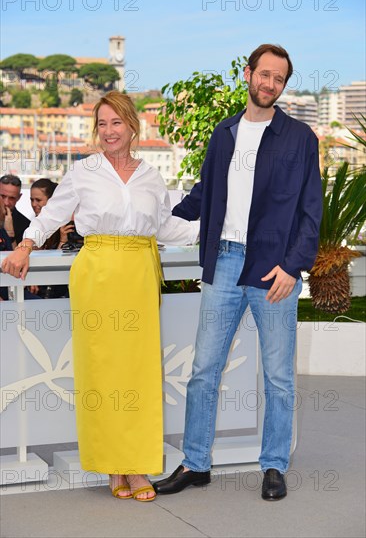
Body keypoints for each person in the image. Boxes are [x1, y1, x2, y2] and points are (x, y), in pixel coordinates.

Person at [1, 91, 199, 502]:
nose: (108, 132)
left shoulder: (150, 175)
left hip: (140, 274)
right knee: (103, 371)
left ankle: (138, 464)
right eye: (102, 124)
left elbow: (166, 227)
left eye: (116, 123)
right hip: (97, 271)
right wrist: (25, 245)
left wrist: (211, 233)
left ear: (132, 127)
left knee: (139, 374)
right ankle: (112, 465)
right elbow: (53, 213)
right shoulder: (83, 171)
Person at [153, 44, 322, 501]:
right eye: (263, 75)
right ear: (247, 74)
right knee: (204, 369)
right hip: (224, 262)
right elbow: (203, 194)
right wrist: (150, 212)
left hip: (274, 271)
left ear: (284, 85)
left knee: (278, 376)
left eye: (279, 79)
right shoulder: (224, 132)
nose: (269, 84)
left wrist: (293, 266)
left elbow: (311, 212)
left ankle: (273, 465)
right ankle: (196, 463)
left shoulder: (300, 138)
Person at [0, 174, 30, 245]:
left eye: (12, 198)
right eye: (3, 196)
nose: (6, 202)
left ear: (19, 197)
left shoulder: (26, 225)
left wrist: (10, 234)